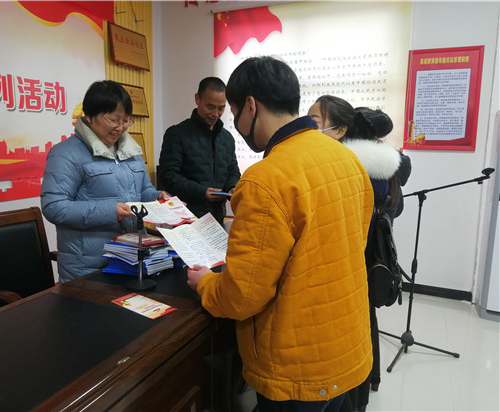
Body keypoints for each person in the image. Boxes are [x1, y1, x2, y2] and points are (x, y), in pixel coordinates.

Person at [187, 57, 375, 412]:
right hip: (346, 347)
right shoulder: (346, 159)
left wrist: (206, 284)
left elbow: (243, 296)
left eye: (233, 112)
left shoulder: (265, 179)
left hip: (296, 366)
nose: (235, 124)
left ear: (251, 106)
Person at [308, 95, 412, 412]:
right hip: (374, 255)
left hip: (353, 255)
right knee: (366, 318)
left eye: (316, 121)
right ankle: (369, 382)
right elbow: (397, 209)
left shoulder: (353, 167)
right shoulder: (389, 166)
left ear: (346, 131)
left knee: (353, 324)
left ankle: (356, 391)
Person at [41, 80, 169, 283]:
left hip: (131, 258)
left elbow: (143, 190)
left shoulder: (131, 151)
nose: (120, 128)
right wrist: (110, 211)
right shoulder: (66, 154)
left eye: (126, 121)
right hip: (89, 267)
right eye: (113, 120)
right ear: (89, 116)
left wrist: (158, 197)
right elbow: (54, 207)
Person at [158, 77, 241, 224]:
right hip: (187, 218)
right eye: (210, 107)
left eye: (221, 108)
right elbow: (168, 176)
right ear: (197, 99)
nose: (215, 113)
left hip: (217, 217)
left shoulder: (227, 138)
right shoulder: (177, 134)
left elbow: (232, 170)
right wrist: (202, 192)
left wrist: (232, 187)